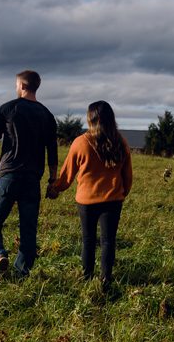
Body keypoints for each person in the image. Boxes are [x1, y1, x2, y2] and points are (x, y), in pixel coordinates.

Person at [0, 70, 58, 280]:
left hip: (8, 175)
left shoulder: (8, 108)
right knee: (28, 231)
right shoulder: (47, 115)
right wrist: (53, 180)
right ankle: (21, 274)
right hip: (32, 179)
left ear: (22, 86)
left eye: (16, 85)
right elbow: (52, 150)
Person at [50, 100, 132, 291]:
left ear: (90, 119)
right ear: (111, 119)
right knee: (108, 241)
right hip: (113, 200)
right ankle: (106, 280)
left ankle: (86, 278)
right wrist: (121, 193)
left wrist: (56, 188)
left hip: (86, 201)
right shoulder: (121, 142)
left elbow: (67, 174)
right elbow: (127, 176)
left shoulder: (81, 142)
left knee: (88, 240)